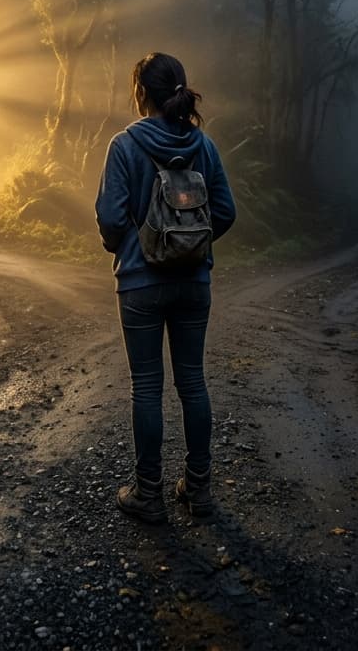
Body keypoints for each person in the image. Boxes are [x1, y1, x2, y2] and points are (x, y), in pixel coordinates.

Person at [95, 52, 236, 523]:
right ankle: (199, 492)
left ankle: (148, 494)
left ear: (141, 93)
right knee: (193, 383)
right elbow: (227, 211)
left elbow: (112, 218)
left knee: (148, 388)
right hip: (194, 282)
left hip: (140, 284)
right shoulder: (205, 146)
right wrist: (191, 244)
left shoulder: (124, 145)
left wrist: (131, 247)